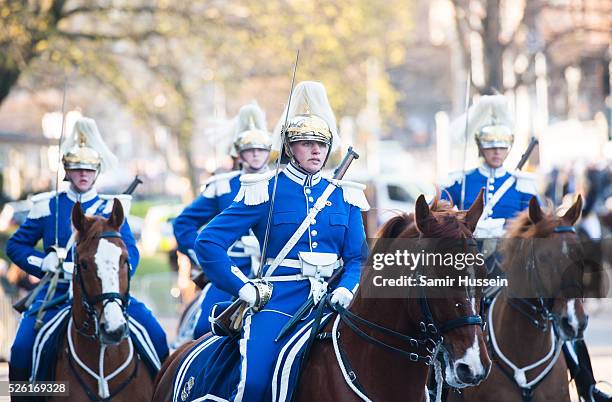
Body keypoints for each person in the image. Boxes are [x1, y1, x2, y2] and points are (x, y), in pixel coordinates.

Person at [194, 81, 369, 401]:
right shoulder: (265, 190)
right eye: (306, 142)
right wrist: (244, 288)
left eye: (321, 143)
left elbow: (358, 258)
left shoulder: (346, 195)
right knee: (255, 382)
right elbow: (208, 242)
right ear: (289, 147)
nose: (316, 150)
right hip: (279, 301)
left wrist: (346, 288)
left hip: (335, 303)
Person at [442, 95, 611, 402]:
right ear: (481, 147)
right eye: (491, 146)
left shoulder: (523, 185)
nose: (497, 152)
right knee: (452, 321)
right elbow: (443, 221)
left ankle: (587, 385)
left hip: (511, 267)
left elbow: (536, 230)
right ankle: (436, 388)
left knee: (564, 322)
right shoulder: (459, 183)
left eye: (502, 146)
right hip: (472, 266)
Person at [5, 117, 168, 385]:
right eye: (77, 169)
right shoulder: (47, 206)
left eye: (89, 170)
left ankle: (162, 390)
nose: (83, 175)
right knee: (20, 350)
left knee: (158, 336)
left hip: (107, 291)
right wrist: (43, 262)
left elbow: (132, 253)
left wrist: (114, 275)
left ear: (97, 172)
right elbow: (15, 245)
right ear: (66, 171)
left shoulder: (111, 208)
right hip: (56, 292)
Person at [173, 103, 271, 339]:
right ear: (238, 154)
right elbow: (183, 224)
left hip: (273, 268)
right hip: (232, 268)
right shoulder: (222, 185)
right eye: (249, 150)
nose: (256, 154)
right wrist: (204, 258)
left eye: (261, 149)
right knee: (204, 327)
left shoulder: (281, 183)